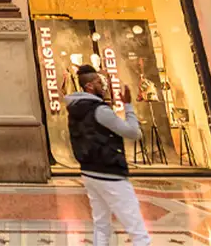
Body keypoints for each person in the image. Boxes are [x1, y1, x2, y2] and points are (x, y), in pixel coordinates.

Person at [63, 64, 151, 246]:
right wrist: (128, 107)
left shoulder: (76, 109)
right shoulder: (99, 110)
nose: (103, 85)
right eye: (98, 82)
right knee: (137, 228)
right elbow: (133, 133)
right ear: (89, 87)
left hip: (89, 172)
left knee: (101, 224)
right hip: (110, 173)